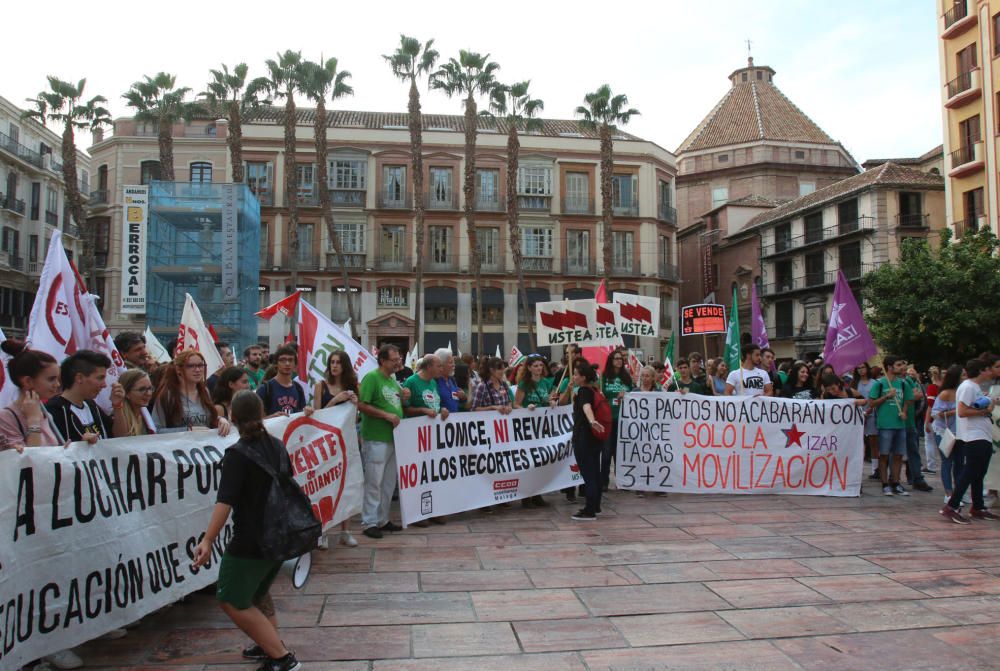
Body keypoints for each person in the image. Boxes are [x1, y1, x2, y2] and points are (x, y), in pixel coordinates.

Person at [192, 391, 302, 671]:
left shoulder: (238, 454)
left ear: (233, 417)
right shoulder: (277, 445)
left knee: (230, 598)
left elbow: (225, 502)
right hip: (280, 535)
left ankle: (281, 658)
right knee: (257, 594)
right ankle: (267, 645)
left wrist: (207, 539)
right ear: (262, 412)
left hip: (251, 540)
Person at [940, 357, 1000, 524]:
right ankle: (952, 506)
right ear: (981, 370)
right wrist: (986, 410)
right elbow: (962, 412)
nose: (991, 372)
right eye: (989, 369)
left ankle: (978, 507)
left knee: (979, 473)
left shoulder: (974, 387)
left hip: (982, 434)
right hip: (974, 436)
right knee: (970, 471)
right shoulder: (968, 387)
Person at [357, 345, 407, 539]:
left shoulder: (393, 381)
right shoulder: (372, 378)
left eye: (399, 358)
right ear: (382, 361)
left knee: (388, 482)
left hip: (393, 439)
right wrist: (385, 415)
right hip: (376, 438)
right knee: (374, 482)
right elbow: (362, 404)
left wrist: (403, 399)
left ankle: (383, 519)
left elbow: (394, 404)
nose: (398, 362)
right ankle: (369, 521)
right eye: (394, 359)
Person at [312, 349, 361, 547]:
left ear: (345, 366)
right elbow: (317, 416)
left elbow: (354, 419)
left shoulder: (352, 387)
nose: (334, 365)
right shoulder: (320, 386)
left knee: (346, 486)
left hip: (345, 443)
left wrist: (355, 405)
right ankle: (322, 531)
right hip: (324, 445)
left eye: (338, 362)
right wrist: (335, 400)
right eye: (332, 362)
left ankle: (345, 530)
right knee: (325, 487)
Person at [46, 350, 125, 442]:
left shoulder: (91, 405)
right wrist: (81, 444)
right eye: (100, 378)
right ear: (79, 378)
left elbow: (120, 438)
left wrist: (117, 406)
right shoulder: (54, 410)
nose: (104, 385)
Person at [151, 350, 232, 436]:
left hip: (204, 445)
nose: (197, 370)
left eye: (200, 365)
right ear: (179, 369)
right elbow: (157, 430)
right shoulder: (167, 395)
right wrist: (188, 430)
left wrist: (220, 420)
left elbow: (209, 420)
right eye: (191, 366)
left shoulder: (205, 391)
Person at [0, 341, 62, 451]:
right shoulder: (5, 418)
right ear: (28, 381)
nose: (57, 384)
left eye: (58, 379)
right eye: (51, 379)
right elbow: (30, 461)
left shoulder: (45, 414)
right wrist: (33, 421)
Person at [513, 354, 554, 508]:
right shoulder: (524, 384)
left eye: (540, 365)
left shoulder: (546, 383)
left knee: (541, 461)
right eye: (535, 366)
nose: (539, 368)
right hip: (528, 428)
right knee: (529, 461)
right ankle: (526, 496)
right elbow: (515, 404)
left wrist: (552, 402)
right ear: (529, 368)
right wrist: (526, 408)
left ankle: (537, 494)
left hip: (543, 427)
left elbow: (550, 398)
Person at [869, 355, 912, 496]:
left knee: (899, 455)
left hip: (900, 425)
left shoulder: (903, 384)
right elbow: (872, 403)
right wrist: (886, 396)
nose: (902, 367)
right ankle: (885, 483)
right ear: (889, 367)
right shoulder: (879, 384)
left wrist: (904, 412)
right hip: (885, 425)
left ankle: (896, 482)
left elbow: (907, 401)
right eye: (898, 365)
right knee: (884, 455)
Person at [570, 361, 605, 521]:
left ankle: (589, 510)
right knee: (595, 473)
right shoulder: (595, 390)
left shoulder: (584, 391)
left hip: (584, 436)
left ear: (583, 377)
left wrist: (591, 421)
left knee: (589, 474)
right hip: (595, 438)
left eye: (576, 374)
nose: (574, 377)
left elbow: (586, 407)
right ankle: (596, 505)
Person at [931, 364, 965, 504]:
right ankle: (948, 493)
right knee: (947, 461)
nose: (966, 377)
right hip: (944, 432)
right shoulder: (945, 393)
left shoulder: (964, 391)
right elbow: (936, 413)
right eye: (963, 374)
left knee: (959, 463)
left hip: (960, 432)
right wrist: (955, 411)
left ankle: (958, 492)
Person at [599, 350, 632, 492]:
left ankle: (622, 481)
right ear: (611, 360)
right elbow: (600, 395)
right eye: (616, 358)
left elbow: (634, 394)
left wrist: (627, 394)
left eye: (621, 358)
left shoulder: (627, 377)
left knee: (621, 452)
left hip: (623, 418)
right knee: (606, 452)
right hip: (608, 418)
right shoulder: (604, 377)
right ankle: (604, 481)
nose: (619, 361)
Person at [900, 362, 933, 492]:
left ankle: (917, 478)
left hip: (910, 421)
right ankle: (893, 479)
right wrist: (912, 396)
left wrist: (912, 396)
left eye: (904, 366)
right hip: (896, 421)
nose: (903, 369)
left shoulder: (909, 380)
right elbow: (913, 396)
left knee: (913, 451)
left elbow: (919, 395)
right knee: (894, 453)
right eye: (899, 366)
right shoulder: (892, 382)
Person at [256, 346, 313, 418]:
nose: (287, 363)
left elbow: (301, 413)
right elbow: (255, 421)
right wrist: (272, 417)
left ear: (295, 364)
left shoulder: (298, 388)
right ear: (276, 363)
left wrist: (307, 411)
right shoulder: (265, 389)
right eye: (282, 360)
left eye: (290, 360)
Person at [853, 362, 880, 479]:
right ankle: (857, 469)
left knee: (873, 442)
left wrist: (869, 410)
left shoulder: (874, 383)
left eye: (862, 367)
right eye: (858, 368)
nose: (861, 370)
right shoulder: (855, 383)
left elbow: (876, 399)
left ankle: (876, 469)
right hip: (858, 416)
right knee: (859, 443)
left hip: (872, 414)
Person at [117, 369, 157, 436]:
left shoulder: (143, 415)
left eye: (150, 388)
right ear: (126, 393)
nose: (149, 393)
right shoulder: (118, 417)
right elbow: (121, 440)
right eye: (142, 389)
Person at [435, 347, 466, 415]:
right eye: (450, 362)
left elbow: (457, 398)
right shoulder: (434, 381)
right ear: (441, 364)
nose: (454, 365)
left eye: (454, 362)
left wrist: (463, 397)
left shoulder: (452, 380)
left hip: (453, 422)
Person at [924, 366, 943, 474]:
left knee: (929, 442)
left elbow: (930, 406)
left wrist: (927, 422)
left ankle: (931, 466)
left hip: (932, 418)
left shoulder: (932, 387)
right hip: (942, 417)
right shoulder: (944, 387)